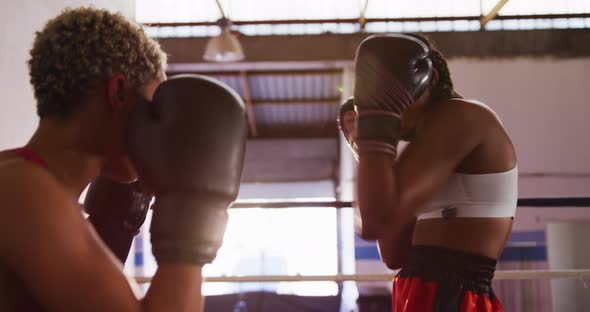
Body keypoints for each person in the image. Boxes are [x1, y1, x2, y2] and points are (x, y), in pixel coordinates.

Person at [0, 7, 247, 311]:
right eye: (153, 106)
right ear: (118, 92)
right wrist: (192, 209)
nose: (160, 126)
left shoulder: (26, 183)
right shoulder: (25, 192)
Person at [339, 33, 517, 311]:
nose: (394, 109)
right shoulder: (428, 156)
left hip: (455, 295)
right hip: (421, 289)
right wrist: (366, 150)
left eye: (395, 94)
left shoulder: (463, 115)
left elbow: (375, 220)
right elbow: (393, 254)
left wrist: (376, 126)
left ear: (430, 79)